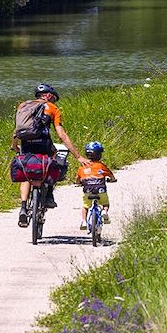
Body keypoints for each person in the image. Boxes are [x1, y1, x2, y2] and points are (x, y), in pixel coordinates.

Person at [11, 83, 89, 227]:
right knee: (55, 161)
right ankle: (48, 196)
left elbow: (18, 129)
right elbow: (61, 135)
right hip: (44, 144)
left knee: (27, 171)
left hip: (26, 143)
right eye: (53, 98)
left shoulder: (23, 105)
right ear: (48, 96)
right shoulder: (53, 108)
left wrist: (15, 146)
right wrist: (78, 156)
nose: (53, 101)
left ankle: (23, 207)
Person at [75, 141, 116, 231]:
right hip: (100, 189)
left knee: (85, 206)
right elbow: (110, 175)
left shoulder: (83, 167)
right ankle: (104, 212)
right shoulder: (101, 166)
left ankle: (84, 221)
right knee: (105, 203)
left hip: (88, 190)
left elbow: (77, 179)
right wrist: (112, 179)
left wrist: (78, 183)